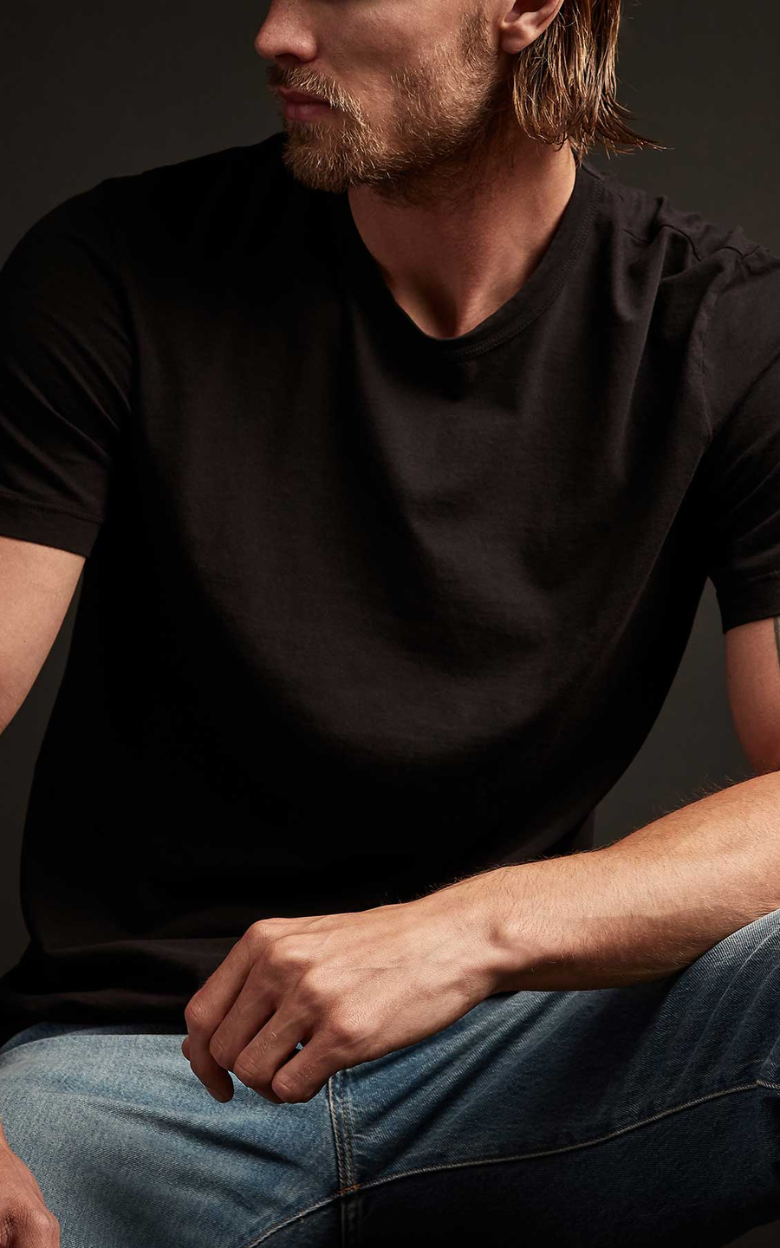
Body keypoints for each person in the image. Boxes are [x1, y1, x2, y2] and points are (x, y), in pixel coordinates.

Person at [1, 0, 780, 1243]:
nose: (276, 32)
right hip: (137, 1077)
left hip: (533, 1054)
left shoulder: (733, 326)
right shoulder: (113, 270)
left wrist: (469, 933)